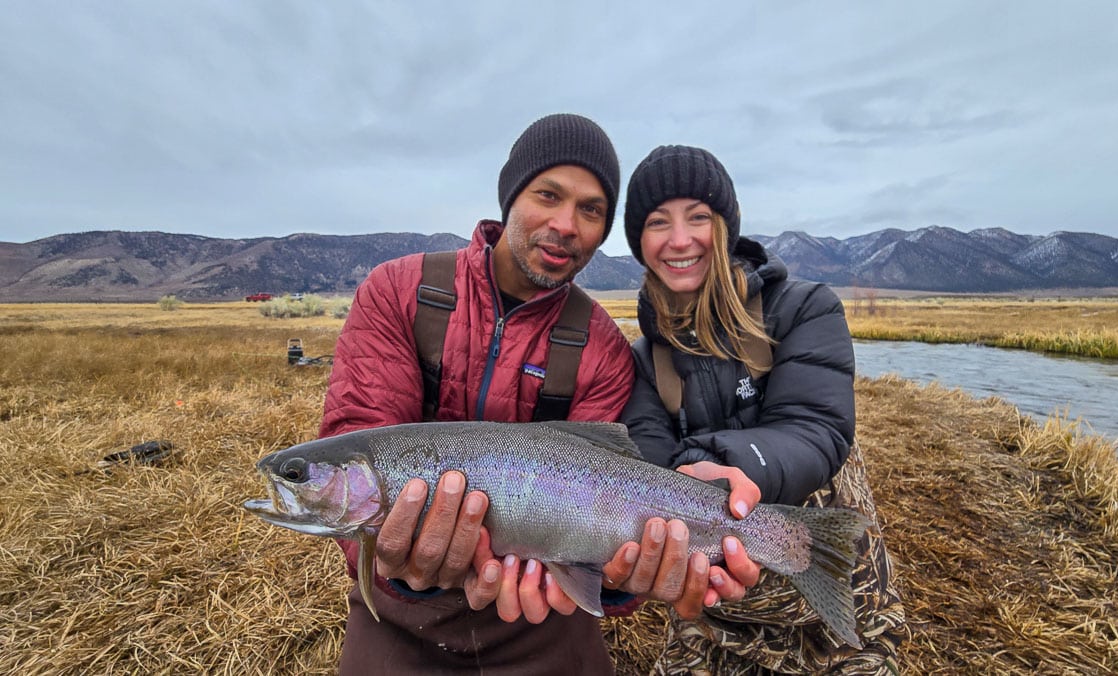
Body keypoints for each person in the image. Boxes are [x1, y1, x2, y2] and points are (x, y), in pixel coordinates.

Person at [318, 115, 748, 675]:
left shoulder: (602, 348)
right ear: (510, 196)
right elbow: (354, 448)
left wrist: (620, 584)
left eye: (591, 209)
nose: (566, 224)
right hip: (397, 607)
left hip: (543, 612)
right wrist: (402, 569)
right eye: (548, 194)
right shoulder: (399, 293)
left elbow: (614, 514)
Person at [615, 145, 907, 674]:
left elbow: (817, 431)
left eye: (698, 217)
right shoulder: (639, 361)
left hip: (834, 590)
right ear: (641, 243)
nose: (680, 240)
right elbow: (644, 471)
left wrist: (707, 464)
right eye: (659, 223)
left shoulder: (804, 308)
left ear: (725, 227)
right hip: (714, 604)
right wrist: (685, 481)